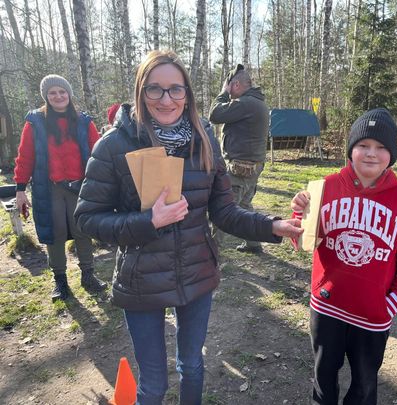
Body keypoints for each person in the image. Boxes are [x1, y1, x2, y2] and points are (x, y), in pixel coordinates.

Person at [74, 50, 302, 405]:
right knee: (153, 385)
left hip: (197, 271)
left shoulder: (205, 140)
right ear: (141, 91)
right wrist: (148, 221)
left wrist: (272, 226)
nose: (166, 100)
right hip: (142, 278)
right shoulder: (114, 145)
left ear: (187, 94)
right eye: (155, 89)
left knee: (192, 366)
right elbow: (87, 218)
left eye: (175, 89)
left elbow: (225, 211)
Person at [290, 108, 397, 405]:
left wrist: (395, 299)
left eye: (381, 147)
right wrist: (300, 213)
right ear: (351, 149)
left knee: (365, 384)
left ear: (392, 155)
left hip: (372, 315)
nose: (371, 153)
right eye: (363, 145)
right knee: (323, 377)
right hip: (327, 306)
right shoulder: (325, 188)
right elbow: (303, 240)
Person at [14, 74, 106, 302]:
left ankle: (88, 275)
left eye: (62, 91)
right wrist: (20, 188)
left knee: (82, 230)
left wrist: (103, 183)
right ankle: (60, 281)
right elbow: (25, 157)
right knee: (54, 234)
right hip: (50, 188)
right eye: (52, 92)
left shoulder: (84, 122)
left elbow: (99, 153)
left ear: (69, 94)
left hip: (81, 188)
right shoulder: (35, 123)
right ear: (46, 96)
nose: (58, 96)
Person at [209, 64, 269, 253]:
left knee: (224, 207)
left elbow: (214, 115)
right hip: (251, 166)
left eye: (229, 87)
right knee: (244, 206)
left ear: (235, 85)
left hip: (241, 168)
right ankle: (253, 243)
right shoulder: (256, 102)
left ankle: (211, 251)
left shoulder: (246, 103)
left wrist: (223, 93)